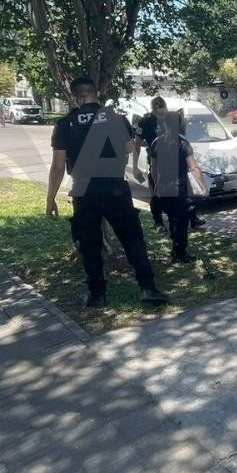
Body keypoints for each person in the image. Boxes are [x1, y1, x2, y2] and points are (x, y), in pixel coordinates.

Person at [46, 77, 168, 307]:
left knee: (89, 243)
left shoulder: (65, 123)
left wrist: (50, 199)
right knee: (133, 238)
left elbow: (57, 168)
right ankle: (148, 288)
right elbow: (127, 149)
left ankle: (96, 295)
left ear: (76, 97)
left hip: (84, 190)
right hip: (114, 187)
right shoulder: (118, 119)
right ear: (95, 94)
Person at [150, 111, 205, 264]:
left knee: (173, 219)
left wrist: (156, 186)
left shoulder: (156, 142)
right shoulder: (183, 144)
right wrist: (204, 186)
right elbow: (194, 167)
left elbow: (153, 170)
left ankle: (175, 250)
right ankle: (180, 252)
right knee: (180, 221)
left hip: (163, 189)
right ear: (179, 124)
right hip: (179, 189)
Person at [131, 96, 167, 232]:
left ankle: (190, 218)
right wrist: (135, 167)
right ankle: (158, 222)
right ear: (154, 109)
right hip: (155, 160)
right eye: (159, 112)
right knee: (156, 192)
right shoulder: (145, 122)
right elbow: (137, 145)